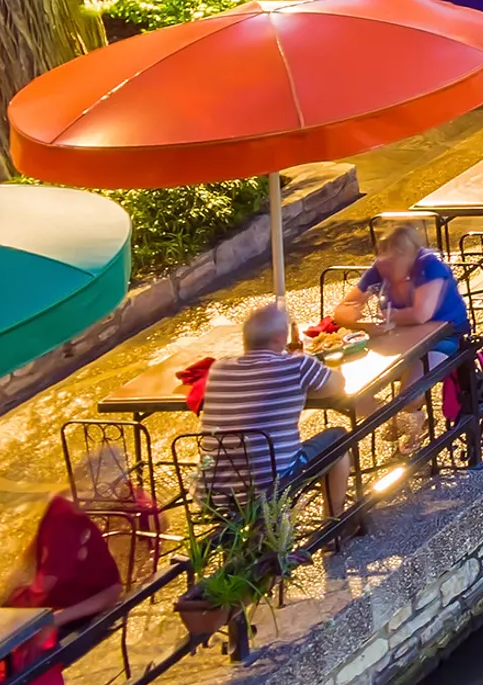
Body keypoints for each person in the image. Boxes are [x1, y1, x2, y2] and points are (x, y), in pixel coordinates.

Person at [4, 446, 149, 685]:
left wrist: (53, 620)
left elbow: (109, 591)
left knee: (17, 666)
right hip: (54, 608)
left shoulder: (68, 519)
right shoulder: (63, 514)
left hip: (74, 613)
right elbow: (45, 576)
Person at [197, 303, 352, 518]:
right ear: (280, 339)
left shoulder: (218, 369)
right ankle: (333, 524)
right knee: (339, 438)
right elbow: (337, 384)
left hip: (213, 491)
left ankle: (254, 532)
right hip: (272, 486)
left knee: (255, 453)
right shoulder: (297, 365)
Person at [326, 222, 468, 377]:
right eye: (382, 263)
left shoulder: (429, 265)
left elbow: (420, 315)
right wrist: (359, 321)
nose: (385, 272)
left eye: (392, 265)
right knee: (355, 377)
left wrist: (387, 318)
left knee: (411, 388)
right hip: (396, 338)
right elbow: (341, 310)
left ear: (408, 258)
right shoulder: (381, 267)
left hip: (446, 336)